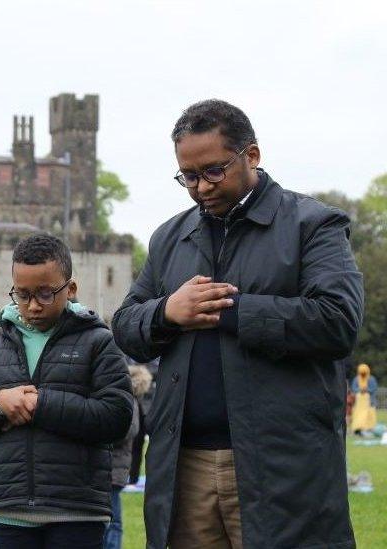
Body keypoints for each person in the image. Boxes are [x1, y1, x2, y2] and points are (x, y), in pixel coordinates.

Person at [112, 99, 364, 548]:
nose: (200, 188)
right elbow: (126, 324)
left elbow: (337, 320)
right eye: (187, 176)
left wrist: (230, 310)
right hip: (183, 464)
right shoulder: (170, 236)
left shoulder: (313, 224)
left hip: (279, 465)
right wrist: (168, 311)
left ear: (252, 156)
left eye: (212, 171)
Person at [0, 233, 133, 549]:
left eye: (45, 294)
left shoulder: (98, 342)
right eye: (22, 295)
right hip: (10, 512)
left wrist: (41, 404)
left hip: (77, 513)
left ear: (71, 290)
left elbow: (117, 417)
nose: (33, 306)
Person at [103, 364, 147, 549]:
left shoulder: (128, 401)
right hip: (113, 467)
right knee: (112, 520)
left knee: (113, 521)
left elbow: (131, 430)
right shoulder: (130, 399)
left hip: (113, 467)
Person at [351, 364, 378, 435]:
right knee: (358, 416)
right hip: (358, 404)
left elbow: (374, 389)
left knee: (370, 415)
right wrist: (360, 389)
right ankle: (358, 429)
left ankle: (370, 429)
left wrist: (366, 390)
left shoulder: (371, 379)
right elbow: (354, 389)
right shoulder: (356, 379)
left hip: (369, 403)